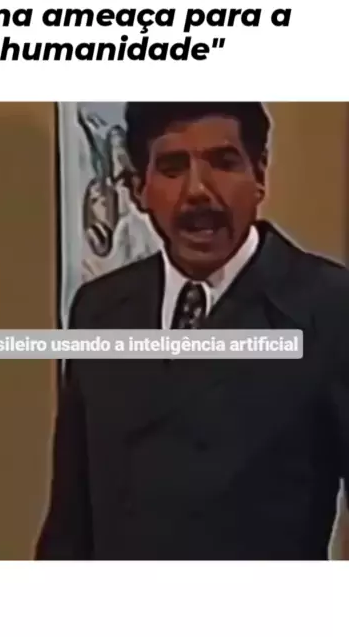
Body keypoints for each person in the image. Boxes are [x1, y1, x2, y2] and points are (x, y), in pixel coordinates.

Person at [37, 102, 349, 560]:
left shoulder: (328, 308)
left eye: (223, 163)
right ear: (139, 188)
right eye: (172, 167)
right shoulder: (100, 311)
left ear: (260, 174)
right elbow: (70, 521)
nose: (198, 190)